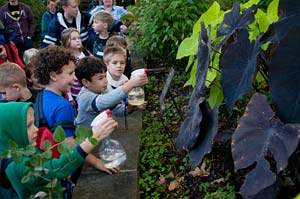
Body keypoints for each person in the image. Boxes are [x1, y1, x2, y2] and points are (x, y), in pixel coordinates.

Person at [0, 102, 117, 199]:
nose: (36, 129)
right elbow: (53, 169)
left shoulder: (26, 147)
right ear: (10, 131)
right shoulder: (14, 165)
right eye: (28, 126)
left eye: (33, 123)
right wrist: (93, 139)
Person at [75, 56, 147, 129]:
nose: (106, 81)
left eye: (105, 76)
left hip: (101, 137)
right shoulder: (85, 97)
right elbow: (104, 102)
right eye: (100, 78)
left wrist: (130, 104)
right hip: (87, 139)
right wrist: (130, 84)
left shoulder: (102, 91)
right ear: (86, 82)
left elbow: (118, 111)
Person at [61, 28, 92, 102]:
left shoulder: (86, 53)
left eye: (79, 38)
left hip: (90, 90)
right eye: (74, 39)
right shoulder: (66, 59)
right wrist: (70, 98)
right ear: (66, 42)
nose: (78, 40)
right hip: (76, 93)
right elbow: (65, 80)